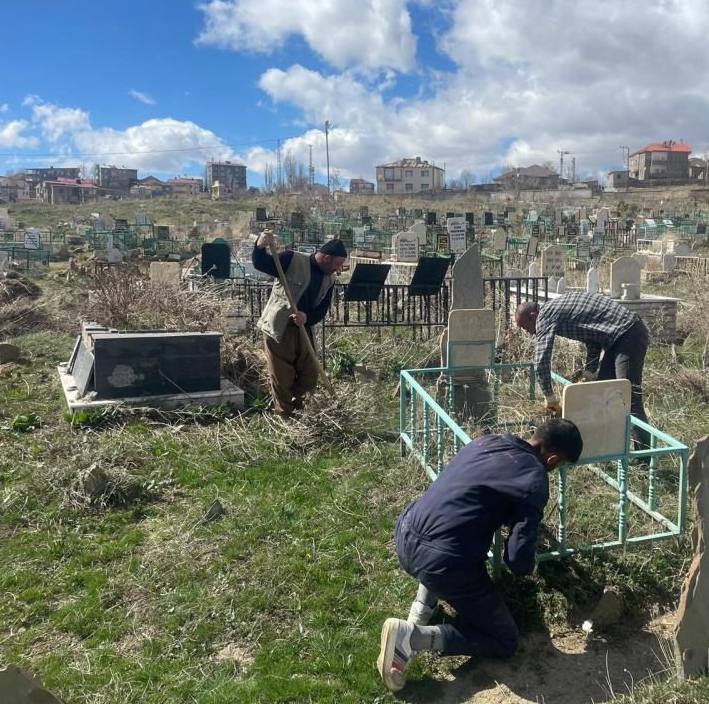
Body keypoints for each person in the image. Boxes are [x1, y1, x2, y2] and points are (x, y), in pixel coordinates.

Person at [377, 418, 583, 692]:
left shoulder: (488, 441)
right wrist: (532, 562)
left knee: (452, 533)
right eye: (560, 466)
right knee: (504, 639)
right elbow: (518, 562)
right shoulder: (534, 479)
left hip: (405, 532)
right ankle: (414, 638)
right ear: (553, 459)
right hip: (442, 562)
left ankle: (419, 613)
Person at [514, 293, 650, 426]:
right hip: (616, 338)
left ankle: (644, 447)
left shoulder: (544, 315)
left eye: (527, 328)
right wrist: (589, 373)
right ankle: (612, 441)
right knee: (604, 393)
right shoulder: (555, 310)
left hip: (629, 333)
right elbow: (593, 337)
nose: (531, 333)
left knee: (627, 396)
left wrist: (550, 400)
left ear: (533, 316)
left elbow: (541, 362)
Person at [252, 232, 346, 415]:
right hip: (279, 327)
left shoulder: (330, 280)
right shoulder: (291, 259)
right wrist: (260, 246)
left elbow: (321, 309)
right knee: (282, 375)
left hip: (303, 328)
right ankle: (285, 415)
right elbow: (262, 263)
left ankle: (302, 410)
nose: (338, 270)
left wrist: (307, 317)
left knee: (309, 371)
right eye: (337, 265)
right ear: (326, 258)